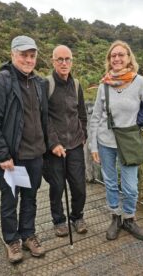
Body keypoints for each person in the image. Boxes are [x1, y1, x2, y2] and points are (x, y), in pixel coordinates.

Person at [0, 35, 48, 263]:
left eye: (32, 55)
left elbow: (42, 119)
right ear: (12, 55)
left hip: (35, 155)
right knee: (10, 201)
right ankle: (12, 240)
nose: (28, 59)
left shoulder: (38, 83)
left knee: (30, 199)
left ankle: (28, 234)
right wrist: (3, 155)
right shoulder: (0, 82)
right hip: (12, 159)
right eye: (23, 55)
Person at [90, 40, 143, 241]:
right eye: (113, 56)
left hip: (128, 142)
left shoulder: (140, 83)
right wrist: (93, 145)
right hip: (105, 141)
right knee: (110, 182)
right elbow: (96, 116)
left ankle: (129, 218)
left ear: (129, 58)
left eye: (121, 55)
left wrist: (136, 128)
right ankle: (116, 217)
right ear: (109, 60)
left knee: (130, 186)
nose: (117, 58)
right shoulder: (104, 85)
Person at [43, 45, 88, 237]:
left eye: (67, 59)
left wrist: (83, 134)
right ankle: (59, 220)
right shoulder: (46, 84)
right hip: (55, 147)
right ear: (53, 61)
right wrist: (53, 143)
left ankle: (77, 216)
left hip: (75, 145)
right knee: (57, 186)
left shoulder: (76, 85)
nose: (64, 63)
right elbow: (43, 117)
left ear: (72, 61)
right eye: (59, 59)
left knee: (79, 186)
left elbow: (82, 113)